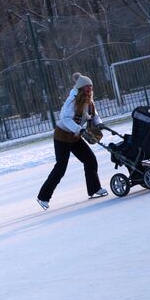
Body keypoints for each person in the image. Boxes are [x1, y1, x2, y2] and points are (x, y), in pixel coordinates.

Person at [36, 73, 108, 210]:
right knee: (61, 167)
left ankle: (94, 189)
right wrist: (79, 129)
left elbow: (94, 116)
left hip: (75, 136)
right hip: (62, 136)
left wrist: (100, 124)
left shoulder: (89, 101)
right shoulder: (72, 101)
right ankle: (43, 197)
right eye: (87, 88)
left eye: (91, 88)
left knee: (90, 160)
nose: (90, 91)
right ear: (81, 89)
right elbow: (65, 119)